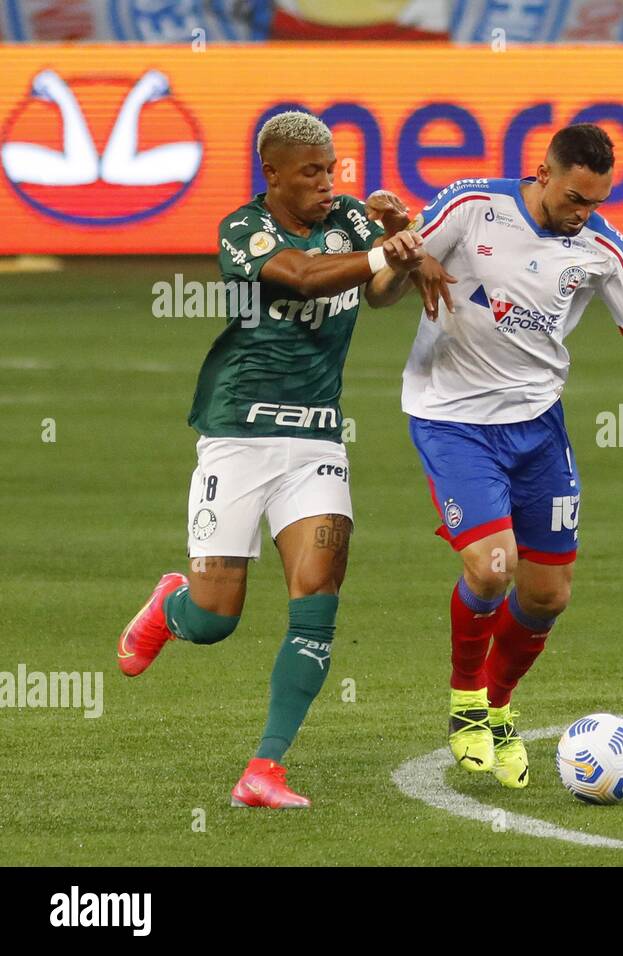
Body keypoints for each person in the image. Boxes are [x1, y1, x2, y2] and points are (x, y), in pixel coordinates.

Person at [400, 124, 623, 788]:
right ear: (542, 173)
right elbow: (392, 277)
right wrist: (401, 256)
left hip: (538, 429)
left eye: (594, 202)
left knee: (547, 595)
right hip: (452, 418)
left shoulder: (602, 250)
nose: (581, 214)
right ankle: (466, 703)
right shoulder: (470, 206)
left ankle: (500, 707)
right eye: (573, 198)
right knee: (492, 567)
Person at [115, 110, 444, 808]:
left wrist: (398, 246)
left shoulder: (352, 221)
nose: (328, 184)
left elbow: (377, 293)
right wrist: (387, 252)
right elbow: (301, 277)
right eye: (311, 173)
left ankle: (264, 768)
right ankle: (170, 605)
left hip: (318, 439)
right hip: (237, 434)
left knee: (318, 596)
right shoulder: (244, 231)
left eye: (332, 170)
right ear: (273, 174)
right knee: (214, 618)